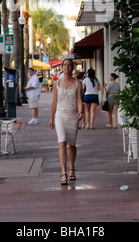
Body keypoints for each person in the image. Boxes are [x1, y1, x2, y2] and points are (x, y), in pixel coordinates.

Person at [49, 58, 83, 186]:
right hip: (60, 116)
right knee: (62, 142)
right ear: (62, 68)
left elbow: (79, 100)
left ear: (72, 68)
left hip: (73, 116)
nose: (67, 67)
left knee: (72, 145)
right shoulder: (56, 84)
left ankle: (72, 168)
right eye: (65, 65)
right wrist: (51, 118)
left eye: (69, 65)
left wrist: (81, 112)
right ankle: (63, 172)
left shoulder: (78, 83)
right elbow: (54, 102)